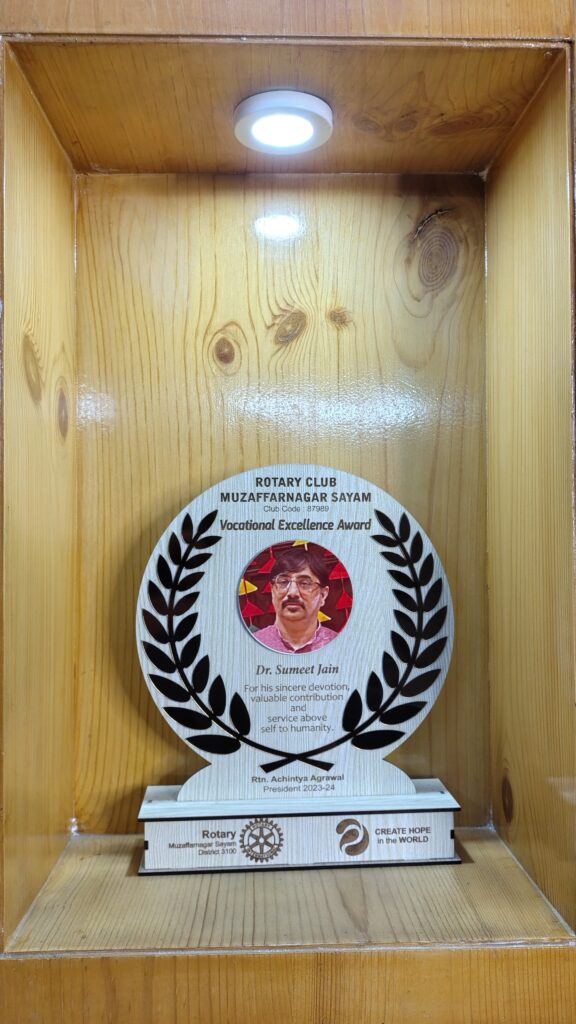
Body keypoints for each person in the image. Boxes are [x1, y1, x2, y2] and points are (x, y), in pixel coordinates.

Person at [254, 546, 336, 653]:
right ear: (272, 591)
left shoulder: (341, 646)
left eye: (304, 583)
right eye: (283, 582)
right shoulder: (252, 646)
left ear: (323, 595)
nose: (292, 592)